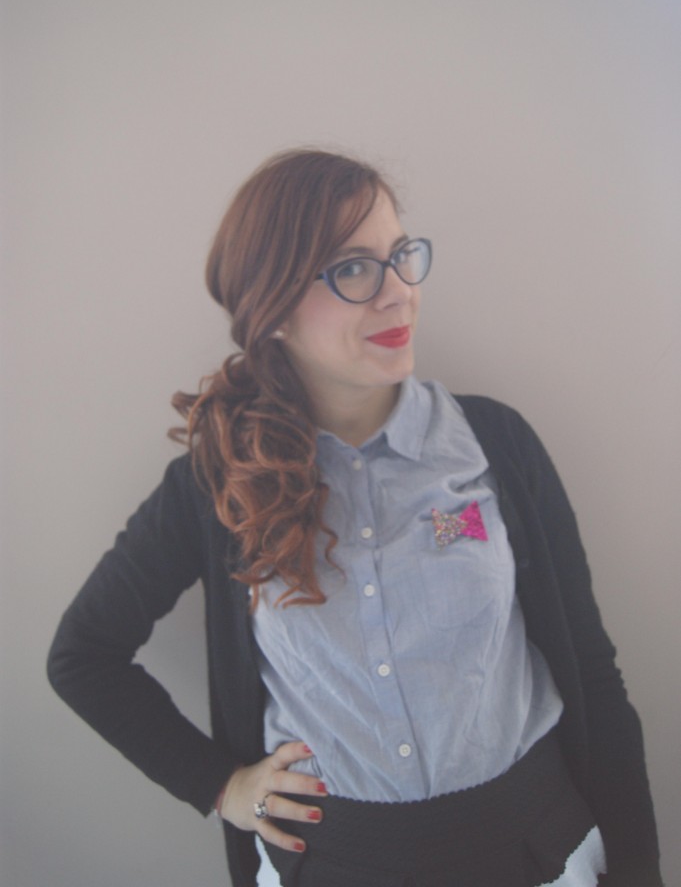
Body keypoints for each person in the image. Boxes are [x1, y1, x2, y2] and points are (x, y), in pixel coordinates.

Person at [48, 149, 663, 887]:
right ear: (273, 308)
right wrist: (221, 786)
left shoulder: (495, 445)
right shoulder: (220, 484)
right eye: (352, 269)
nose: (398, 293)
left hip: (537, 851)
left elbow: (590, 671)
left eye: (400, 257)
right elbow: (83, 654)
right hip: (328, 866)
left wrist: (638, 867)